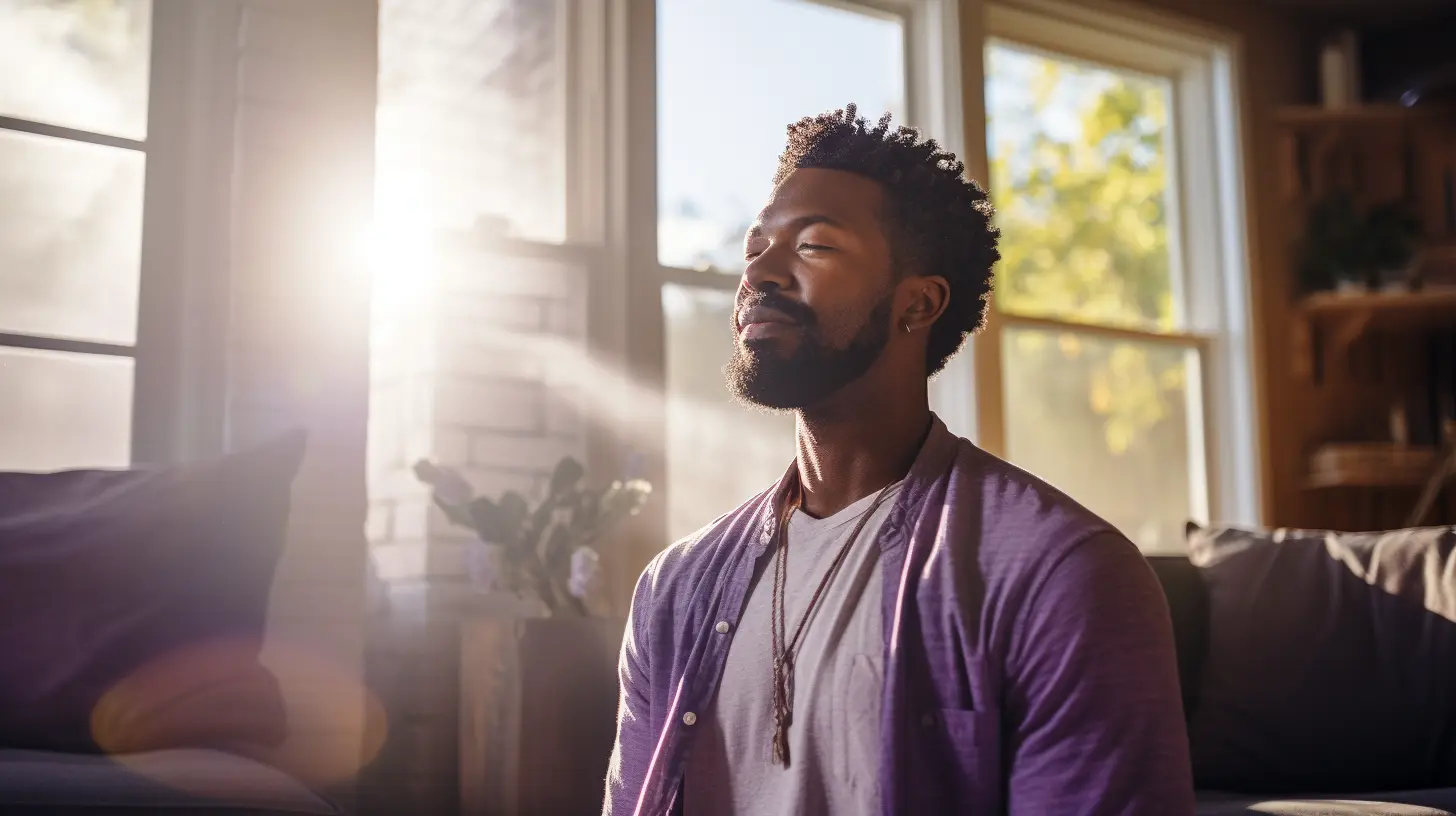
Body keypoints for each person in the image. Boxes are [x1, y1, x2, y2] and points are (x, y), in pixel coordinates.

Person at [603, 105, 1194, 816]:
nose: (759, 270)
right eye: (756, 245)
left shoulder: (1062, 576)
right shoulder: (673, 591)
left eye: (814, 246)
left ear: (917, 304)